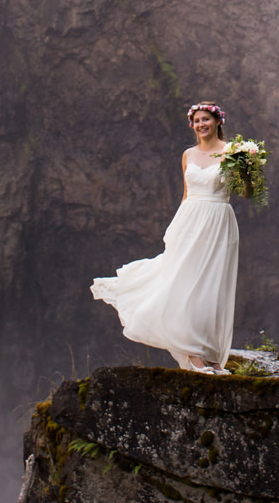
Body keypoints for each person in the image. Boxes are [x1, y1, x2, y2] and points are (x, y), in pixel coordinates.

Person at [91, 101, 240, 373]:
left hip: (219, 222)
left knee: (212, 286)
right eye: (196, 121)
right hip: (190, 221)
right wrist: (175, 228)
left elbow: (247, 191)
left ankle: (212, 355)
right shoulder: (188, 155)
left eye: (206, 119)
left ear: (218, 121)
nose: (201, 125)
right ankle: (194, 353)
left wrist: (250, 166)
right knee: (185, 283)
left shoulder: (233, 153)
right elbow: (186, 194)